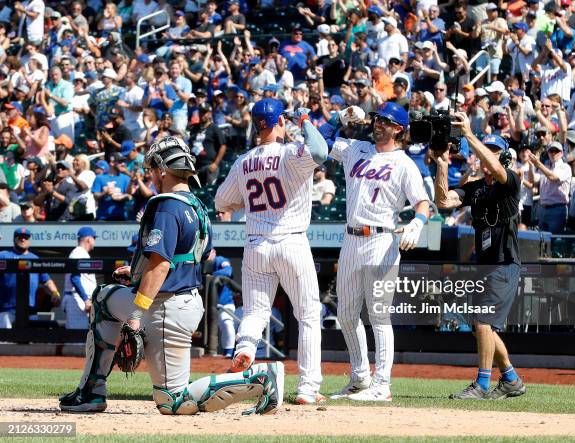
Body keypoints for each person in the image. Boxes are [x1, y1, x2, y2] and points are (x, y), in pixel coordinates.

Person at [60, 136, 283, 415]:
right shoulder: (197, 206)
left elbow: (162, 265)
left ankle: (258, 379)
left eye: (153, 169)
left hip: (165, 307)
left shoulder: (165, 204)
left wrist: (136, 314)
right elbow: (189, 257)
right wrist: (139, 272)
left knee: (173, 400)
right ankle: (91, 392)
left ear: (163, 169)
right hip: (185, 301)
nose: (151, 175)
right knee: (105, 298)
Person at [215, 98, 326, 405]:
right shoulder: (291, 153)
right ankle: (307, 388)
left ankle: (246, 348)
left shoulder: (243, 161)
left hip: (255, 244)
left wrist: (244, 203)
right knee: (308, 315)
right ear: (280, 123)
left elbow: (221, 202)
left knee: (255, 312)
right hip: (291, 241)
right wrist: (304, 118)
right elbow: (319, 150)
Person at [319, 103, 430, 402]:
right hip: (351, 240)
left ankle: (382, 384)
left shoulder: (404, 163)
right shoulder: (357, 147)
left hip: (382, 240)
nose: (378, 123)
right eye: (377, 118)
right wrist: (337, 118)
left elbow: (422, 203)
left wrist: (417, 224)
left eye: (386, 121)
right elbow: (317, 142)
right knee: (345, 313)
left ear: (399, 129)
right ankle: (359, 378)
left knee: (379, 315)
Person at [435, 117, 526, 400]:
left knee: (484, 322)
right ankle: (510, 378)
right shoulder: (476, 187)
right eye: (484, 148)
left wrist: (470, 136)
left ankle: (483, 385)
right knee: (479, 326)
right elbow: (443, 201)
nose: (485, 152)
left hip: (504, 263)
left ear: (505, 156)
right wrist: (441, 163)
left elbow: (498, 169)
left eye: (493, 149)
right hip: (485, 266)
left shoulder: (511, 180)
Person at [0, 228, 61, 329]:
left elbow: (46, 281)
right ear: (14, 239)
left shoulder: (35, 258)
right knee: (5, 343)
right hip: (6, 310)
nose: (23, 240)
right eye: (20, 237)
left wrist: (55, 293)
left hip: (30, 310)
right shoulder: (3, 255)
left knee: (30, 342)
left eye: (26, 237)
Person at [529, 141, 572, 234]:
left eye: (556, 151)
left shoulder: (565, 167)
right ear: (548, 153)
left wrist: (538, 164)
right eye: (551, 151)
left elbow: (553, 177)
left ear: (561, 153)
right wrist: (531, 164)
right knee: (541, 242)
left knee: (554, 241)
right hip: (543, 208)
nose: (553, 153)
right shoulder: (545, 166)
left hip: (557, 209)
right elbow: (533, 180)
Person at [63, 227, 97, 330]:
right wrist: (86, 299)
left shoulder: (82, 253)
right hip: (76, 300)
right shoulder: (78, 253)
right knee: (77, 339)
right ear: (88, 239)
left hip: (79, 299)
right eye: (94, 238)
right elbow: (75, 278)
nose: (94, 241)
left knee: (81, 337)